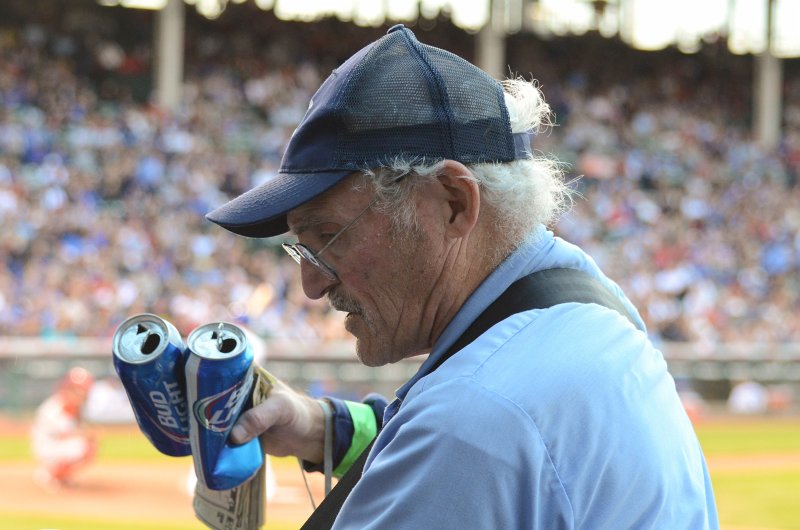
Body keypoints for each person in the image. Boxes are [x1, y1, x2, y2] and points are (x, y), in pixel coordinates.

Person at [207, 24, 719, 529]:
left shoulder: (471, 421)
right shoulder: (588, 306)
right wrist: (327, 428)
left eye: (330, 237)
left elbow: (468, 442)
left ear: (453, 203)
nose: (311, 285)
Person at [30, 366, 97, 491]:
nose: (82, 393)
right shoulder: (53, 408)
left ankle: (61, 476)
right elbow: (63, 434)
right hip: (47, 447)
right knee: (83, 446)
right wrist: (85, 434)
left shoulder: (73, 407)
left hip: (57, 445)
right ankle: (47, 475)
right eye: (77, 390)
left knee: (87, 445)